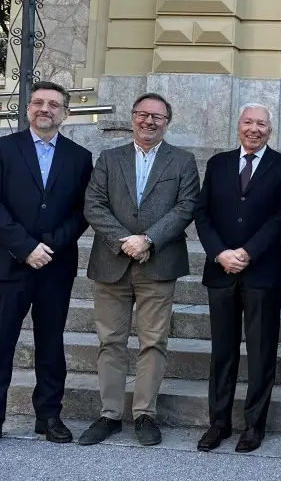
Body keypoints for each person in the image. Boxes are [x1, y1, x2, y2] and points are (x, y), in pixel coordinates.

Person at [0, 81, 94, 457]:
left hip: (54, 265)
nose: (45, 109)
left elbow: (82, 211)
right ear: (27, 109)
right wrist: (25, 247)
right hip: (6, 264)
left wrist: (48, 246)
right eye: (38, 102)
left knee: (51, 345)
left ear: (65, 113)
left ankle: (49, 416)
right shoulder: (0, 148)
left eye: (54, 104)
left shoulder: (80, 157)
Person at [79, 92, 200, 447]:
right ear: (132, 117)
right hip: (110, 264)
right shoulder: (109, 158)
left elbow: (186, 206)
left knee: (153, 342)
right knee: (110, 342)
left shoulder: (182, 161)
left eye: (157, 117)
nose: (149, 121)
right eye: (142, 114)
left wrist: (147, 239)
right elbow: (94, 204)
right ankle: (110, 415)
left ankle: (145, 414)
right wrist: (124, 241)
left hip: (158, 263)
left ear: (167, 122)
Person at [193, 103, 281, 453]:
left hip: (262, 272)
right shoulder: (218, 163)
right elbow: (203, 213)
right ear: (238, 125)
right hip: (220, 270)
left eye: (262, 124)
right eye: (249, 122)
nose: (255, 129)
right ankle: (218, 423)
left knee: (261, 351)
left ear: (271, 129)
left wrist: (247, 253)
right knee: (222, 351)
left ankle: (254, 425)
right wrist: (220, 253)